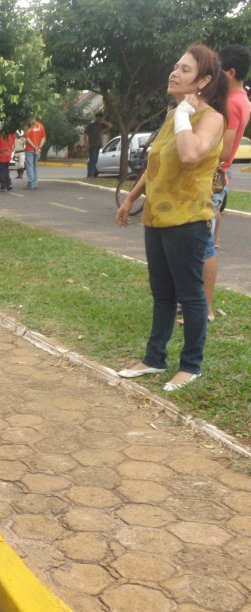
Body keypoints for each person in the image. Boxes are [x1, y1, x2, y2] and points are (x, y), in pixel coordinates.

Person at [115, 43, 227, 392]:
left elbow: (191, 154)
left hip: (188, 220)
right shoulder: (172, 116)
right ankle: (153, 359)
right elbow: (157, 163)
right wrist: (131, 198)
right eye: (175, 66)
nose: (174, 72)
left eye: (185, 70)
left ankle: (190, 366)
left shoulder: (211, 118)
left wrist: (182, 116)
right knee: (162, 293)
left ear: (204, 80)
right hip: (157, 218)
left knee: (190, 294)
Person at [204, 44, 251, 323]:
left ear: (230, 72)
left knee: (203, 245)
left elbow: (224, 149)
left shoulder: (232, 103)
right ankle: (195, 302)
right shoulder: (242, 99)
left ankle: (205, 308)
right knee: (203, 242)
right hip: (220, 178)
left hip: (213, 177)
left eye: (219, 68)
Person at [84, 111, 112, 178]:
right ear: (96, 117)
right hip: (92, 145)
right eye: (98, 117)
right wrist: (86, 143)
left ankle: (91, 172)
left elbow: (110, 126)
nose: (99, 119)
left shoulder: (101, 125)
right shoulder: (91, 125)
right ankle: (90, 175)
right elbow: (85, 135)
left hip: (98, 145)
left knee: (95, 160)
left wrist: (103, 121)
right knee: (92, 160)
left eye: (101, 117)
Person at [23, 118, 46, 189]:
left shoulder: (27, 126)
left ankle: (31, 183)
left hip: (30, 149)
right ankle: (35, 183)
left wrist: (34, 146)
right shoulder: (40, 126)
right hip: (37, 150)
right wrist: (39, 147)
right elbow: (43, 137)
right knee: (35, 166)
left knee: (30, 166)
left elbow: (27, 138)